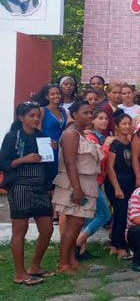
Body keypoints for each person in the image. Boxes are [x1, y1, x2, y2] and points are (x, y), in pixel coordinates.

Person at [0, 101, 55, 285]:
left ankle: (35, 266)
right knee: (20, 230)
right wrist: (24, 159)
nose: (35, 118)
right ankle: (19, 273)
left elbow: (47, 164)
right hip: (20, 185)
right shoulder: (12, 136)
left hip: (40, 186)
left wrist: (50, 149)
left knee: (47, 229)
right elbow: (3, 164)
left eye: (37, 115)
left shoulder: (42, 137)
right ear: (22, 117)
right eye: (31, 115)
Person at [52, 101, 103, 274]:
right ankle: (62, 263)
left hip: (86, 183)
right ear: (74, 114)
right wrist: (77, 188)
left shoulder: (84, 134)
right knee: (73, 224)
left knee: (78, 223)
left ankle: (72, 259)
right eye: (85, 113)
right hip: (74, 183)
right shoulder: (70, 134)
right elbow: (69, 162)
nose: (90, 116)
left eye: (91, 113)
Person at [76, 109, 112, 261]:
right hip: (90, 181)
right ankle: (76, 244)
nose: (104, 121)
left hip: (96, 180)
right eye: (100, 118)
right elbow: (95, 158)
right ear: (93, 121)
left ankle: (82, 249)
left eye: (106, 118)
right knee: (104, 214)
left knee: (90, 215)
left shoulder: (100, 137)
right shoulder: (90, 137)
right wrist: (107, 146)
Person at [104, 112, 137, 259]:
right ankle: (120, 247)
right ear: (117, 126)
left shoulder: (131, 143)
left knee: (123, 214)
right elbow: (110, 167)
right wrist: (116, 187)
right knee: (121, 213)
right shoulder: (115, 144)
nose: (127, 126)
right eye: (124, 123)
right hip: (117, 181)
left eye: (129, 123)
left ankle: (114, 244)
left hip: (129, 180)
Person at [35, 84, 66, 173]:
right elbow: (38, 130)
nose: (56, 96)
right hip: (48, 146)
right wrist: (48, 141)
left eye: (58, 93)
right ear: (47, 97)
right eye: (52, 94)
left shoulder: (62, 111)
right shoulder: (42, 110)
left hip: (61, 146)